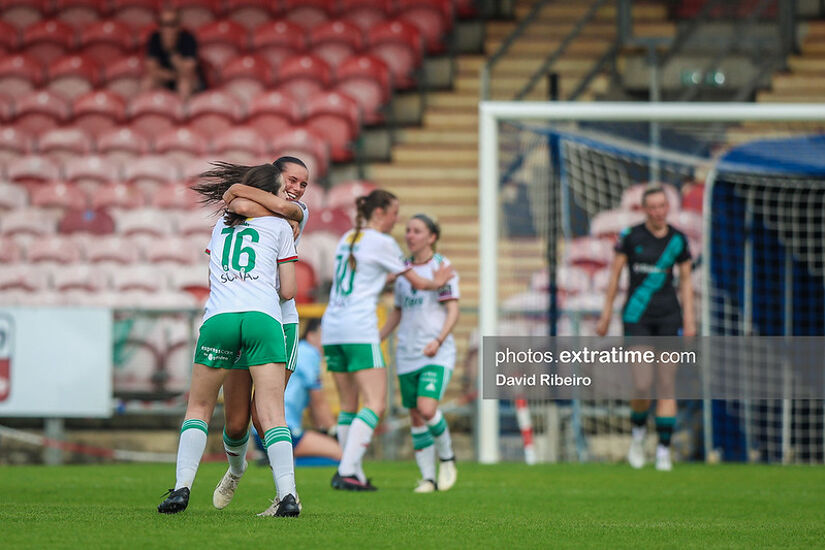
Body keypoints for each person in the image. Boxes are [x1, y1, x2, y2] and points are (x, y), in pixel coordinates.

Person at [157, 162, 300, 517]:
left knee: (199, 408)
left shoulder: (220, 226)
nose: (293, 192)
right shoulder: (282, 224)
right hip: (264, 319)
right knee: (268, 415)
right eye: (287, 185)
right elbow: (291, 290)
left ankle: (181, 489)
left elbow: (212, 273)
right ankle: (288, 496)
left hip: (220, 318)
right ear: (272, 190)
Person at [322, 189, 454, 492]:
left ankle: (355, 472)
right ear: (380, 213)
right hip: (358, 326)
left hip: (333, 326)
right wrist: (439, 281)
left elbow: (369, 277)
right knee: (376, 403)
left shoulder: (348, 238)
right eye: (395, 214)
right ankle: (345, 470)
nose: (397, 221)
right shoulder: (382, 242)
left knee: (347, 405)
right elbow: (418, 281)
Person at [209, 157, 310, 514]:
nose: (297, 190)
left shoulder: (297, 212)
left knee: (264, 415)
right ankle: (236, 470)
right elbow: (237, 201)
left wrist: (239, 193)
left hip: (280, 323)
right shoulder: (269, 210)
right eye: (292, 180)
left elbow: (246, 202)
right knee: (235, 423)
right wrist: (240, 196)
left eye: (304, 184)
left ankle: (288, 495)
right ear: (275, 176)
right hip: (243, 315)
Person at [595, 186, 695, 472]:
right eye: (652, 207)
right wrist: (605, 315)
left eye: (662, 206)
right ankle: (637, 436)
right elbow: (614, 278)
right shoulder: (631, 237)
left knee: (666, 384)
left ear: (667, 208)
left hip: (668, 318)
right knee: (642, 383)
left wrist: (690, 321)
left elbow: (686, 283)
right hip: (637, 316)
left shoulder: (678, 240)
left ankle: (663, 450)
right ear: (644, 209)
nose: (658, 211)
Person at [379, 214, 459, 493]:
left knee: (427, 409)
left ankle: (447, 458)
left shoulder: (442, 267)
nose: (410, 235)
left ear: (432, 237)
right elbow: (399, 311)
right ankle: (428, 478)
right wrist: (379, 337)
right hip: (407, 353)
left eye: (417, 231)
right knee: (415, 415)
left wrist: (439, 339)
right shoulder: (403, 271)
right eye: (408, 231)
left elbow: (453, 309)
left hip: (436, 351)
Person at [285, 318, 341, 461]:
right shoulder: (309, 354)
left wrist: (323, 429)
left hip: (267, 429)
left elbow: (313, 406)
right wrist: (334, 431)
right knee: (340, 453)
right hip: (283, 429)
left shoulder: (299, 350)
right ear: (311, 335)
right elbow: (318, 401)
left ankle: (273, 460)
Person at [142, 7, 204, 99]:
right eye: (164, 24)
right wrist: (172, 76)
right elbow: (152, 70)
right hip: (166, 78)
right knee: (148, 82)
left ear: (179, 25)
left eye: (172, 24)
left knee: (184, 84)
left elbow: (188, 72)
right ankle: (148, 112)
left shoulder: (188, 39)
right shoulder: (155, 38)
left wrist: (171, 51)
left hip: (185, 79)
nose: (168, 29)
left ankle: (183, 113)